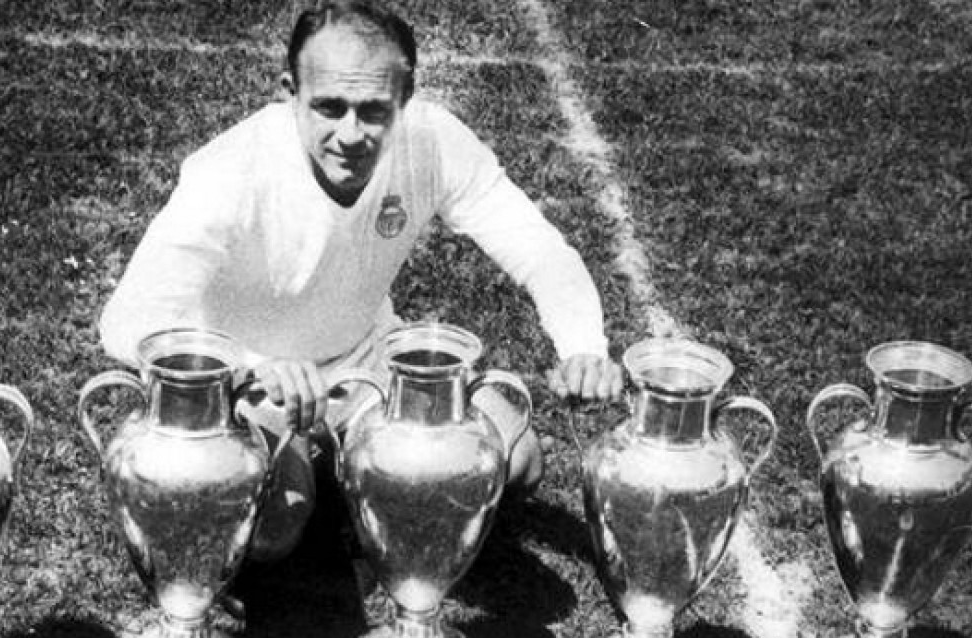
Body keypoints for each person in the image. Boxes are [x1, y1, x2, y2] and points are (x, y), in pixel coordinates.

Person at [99, 0, 623, 561]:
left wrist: (584, 349)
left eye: (373, 111)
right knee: (272, 532)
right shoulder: (229, 172)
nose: (350, 134)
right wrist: (247, 370)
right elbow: (128, 321)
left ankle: (346, 469)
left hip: (366, 362)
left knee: (516, 461)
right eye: (329, 107)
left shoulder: (433, 141)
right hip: (254, 385)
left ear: (406, 96)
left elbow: (538, 248)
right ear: (290, 92)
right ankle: (334, 476)